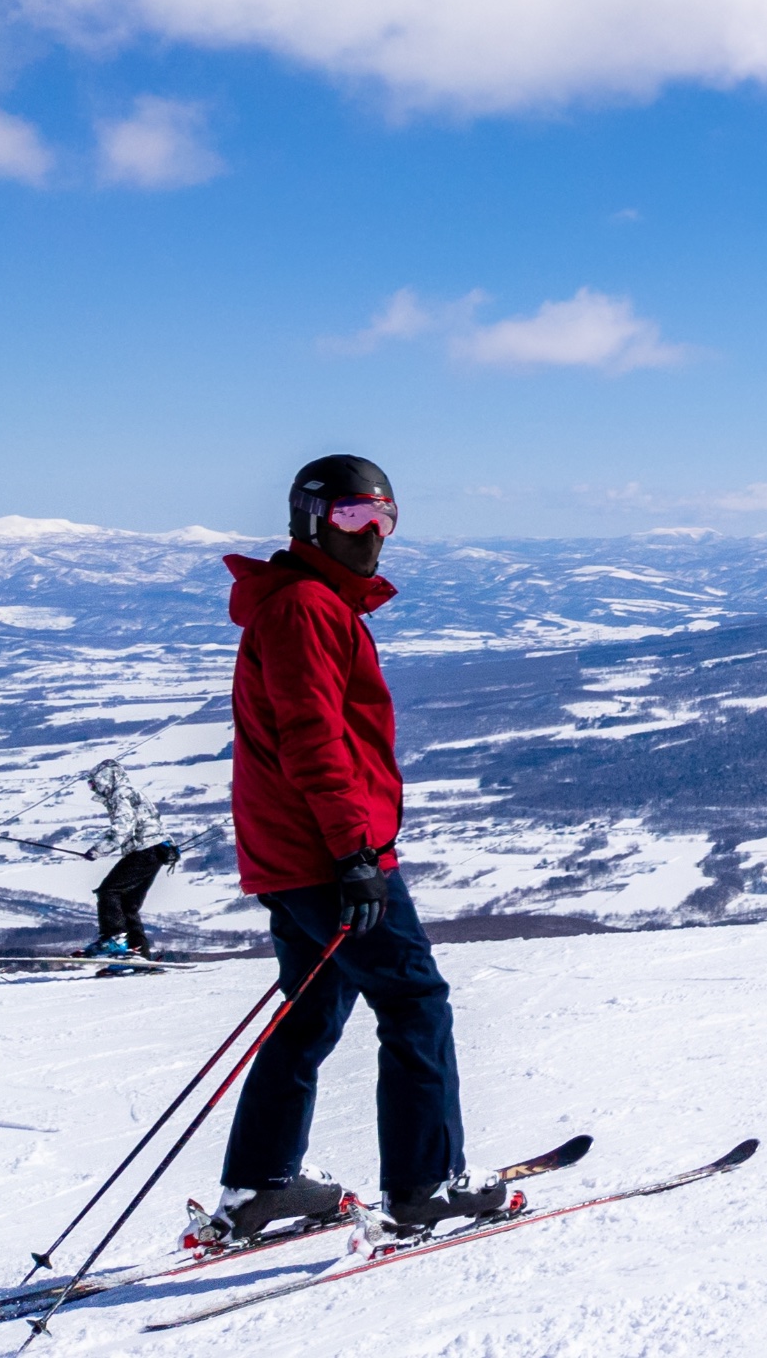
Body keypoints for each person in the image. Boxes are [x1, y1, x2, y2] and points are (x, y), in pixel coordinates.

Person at [201, 454, 507, 1244]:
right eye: (350, 517)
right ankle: (425, 1187)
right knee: (414, 1001)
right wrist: (355, 856)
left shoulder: (308, 603)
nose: (372, 534)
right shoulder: (306, 607)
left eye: (384, 518)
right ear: (309, 522)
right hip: (328, 855)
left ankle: (259, 1188)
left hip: (295, 854)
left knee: (310, 1011)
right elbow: (313, 740)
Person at [80, 759, 178, 961]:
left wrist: (98, 850)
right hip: (157, 851)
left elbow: (123, 827)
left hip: (144, 851)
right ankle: (138, 956)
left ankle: (113, 938)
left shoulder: (120, 795)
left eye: (94, 783)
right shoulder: (133, 793)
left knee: (108, 891)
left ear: (106, 779)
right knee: (128, 905)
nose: (93, 789)